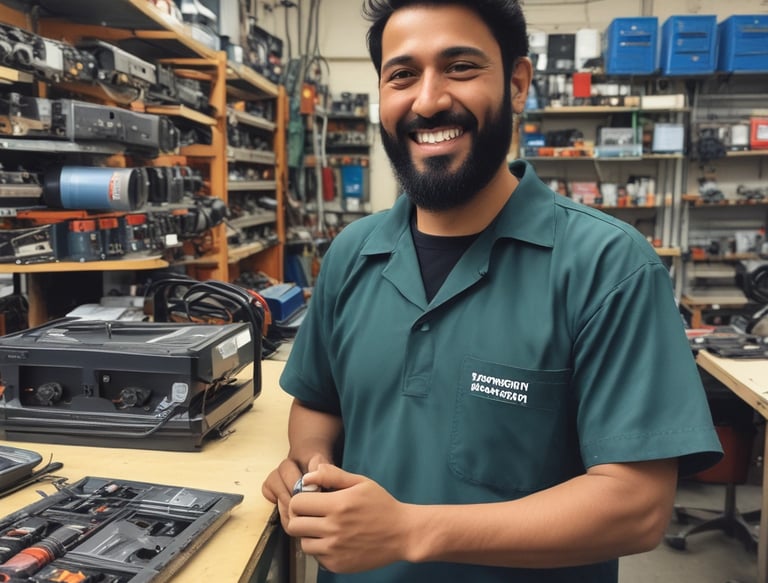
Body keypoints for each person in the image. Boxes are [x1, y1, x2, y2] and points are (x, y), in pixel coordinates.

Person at [262, 1, 723, 581]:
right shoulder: (352, 253)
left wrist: (411, 530)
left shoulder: (607, 265)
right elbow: (317, 404)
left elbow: (636, 507)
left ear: (517, 83)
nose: (428, 101)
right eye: (402, 75)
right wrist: (311, 465)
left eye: (459, 67)